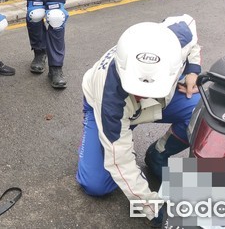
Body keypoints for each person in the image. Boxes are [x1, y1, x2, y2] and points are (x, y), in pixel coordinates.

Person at [76, 15, 201, 226]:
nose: (144, 95)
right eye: (138, 89)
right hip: (112, 109)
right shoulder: (109, 98)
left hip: (163, 100)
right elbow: (120, 161)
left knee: (201, 112)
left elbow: (192, 33)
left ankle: (158, 155)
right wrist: (152, 207)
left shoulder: (176, 37)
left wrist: (192, 70)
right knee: (96, 185)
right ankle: (97, 137)